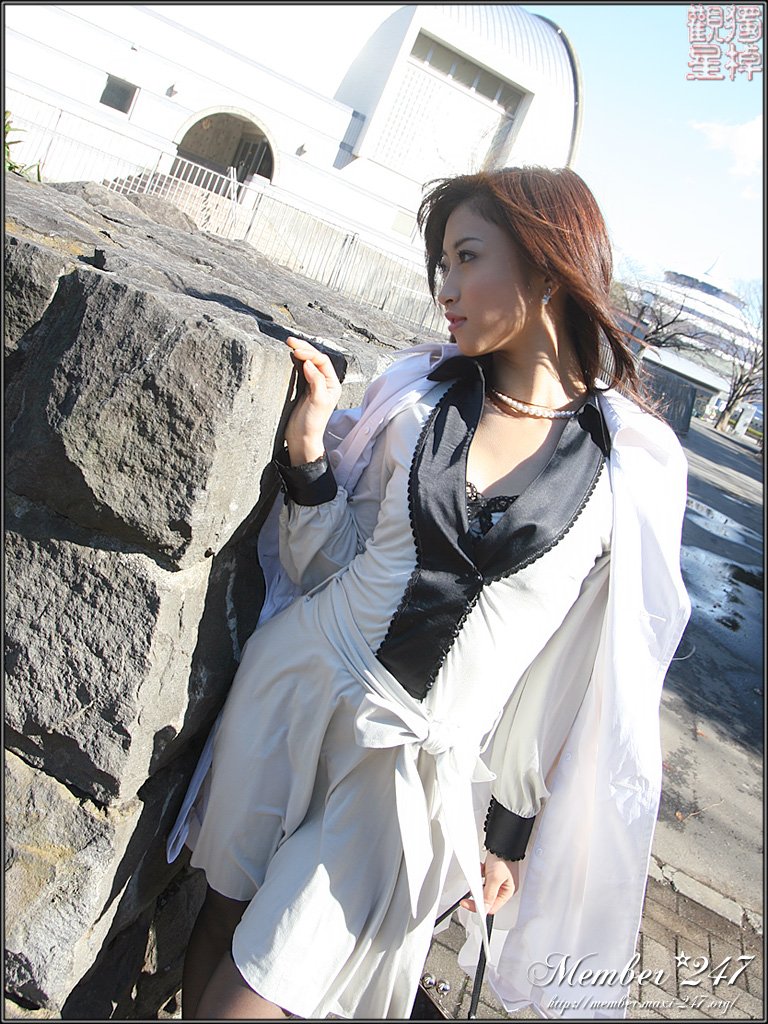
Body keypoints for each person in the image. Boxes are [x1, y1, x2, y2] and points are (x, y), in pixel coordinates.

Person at [167, 166, 690, 1020]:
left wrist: (507, 834)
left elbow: (564, 681)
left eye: (467, 257)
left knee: (258, 990)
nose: (444, 287)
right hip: (294, 691)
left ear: (546, 267)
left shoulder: (624, 472)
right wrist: (308, 458)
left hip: (407, 779)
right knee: (223, 922)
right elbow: (330, 565)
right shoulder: (417, 395)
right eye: (441, 263)